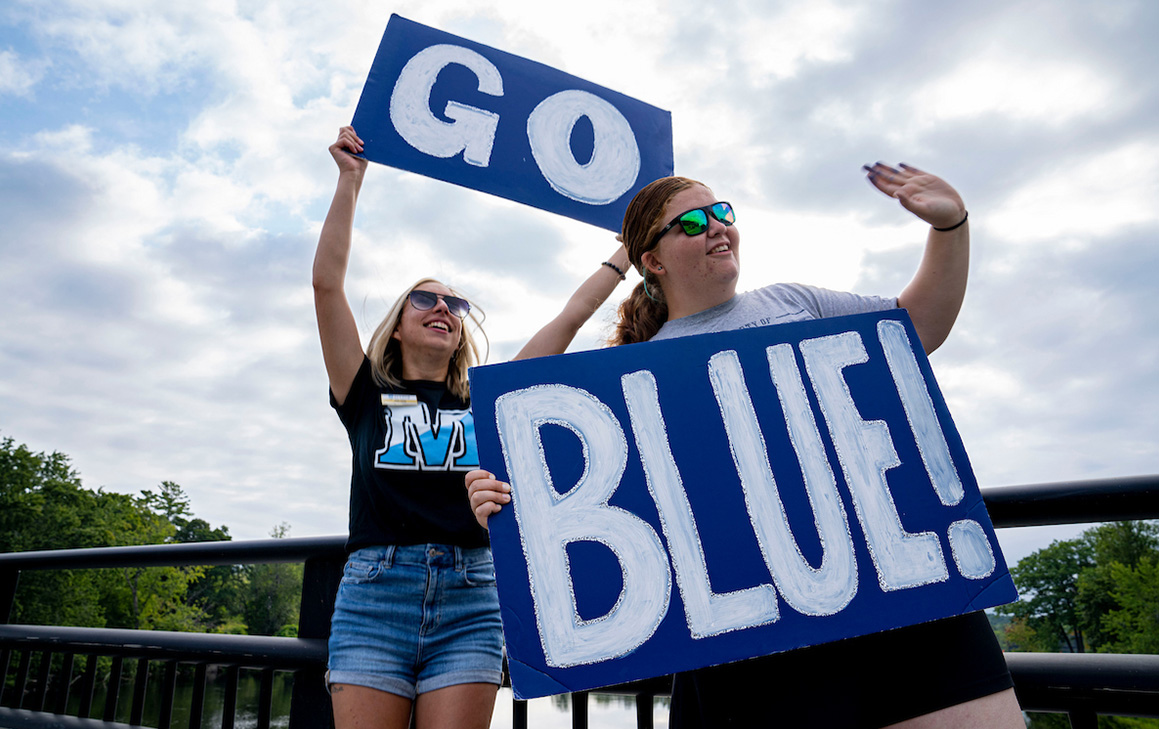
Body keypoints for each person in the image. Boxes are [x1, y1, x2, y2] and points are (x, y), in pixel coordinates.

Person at [466, 163, 1025, 728]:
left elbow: (916, 329)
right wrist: (512, 501)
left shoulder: (795, 301)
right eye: (691, 222)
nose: (715, 227)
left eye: (722, 213)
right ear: (653, 261)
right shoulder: (630, 375)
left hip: (906, 603)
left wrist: (951, 228)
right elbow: (519, 417)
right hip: (752, 642)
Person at [313, 125, 502, 729]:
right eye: (426, 300)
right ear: (397, 324)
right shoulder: (364, 390)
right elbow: (326, 286)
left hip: (473, 599)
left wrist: (621, 257)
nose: (444, 307)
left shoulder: (485, 399)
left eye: (455, 304)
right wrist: (350, 181)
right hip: (374, 598)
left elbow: (568, 323)